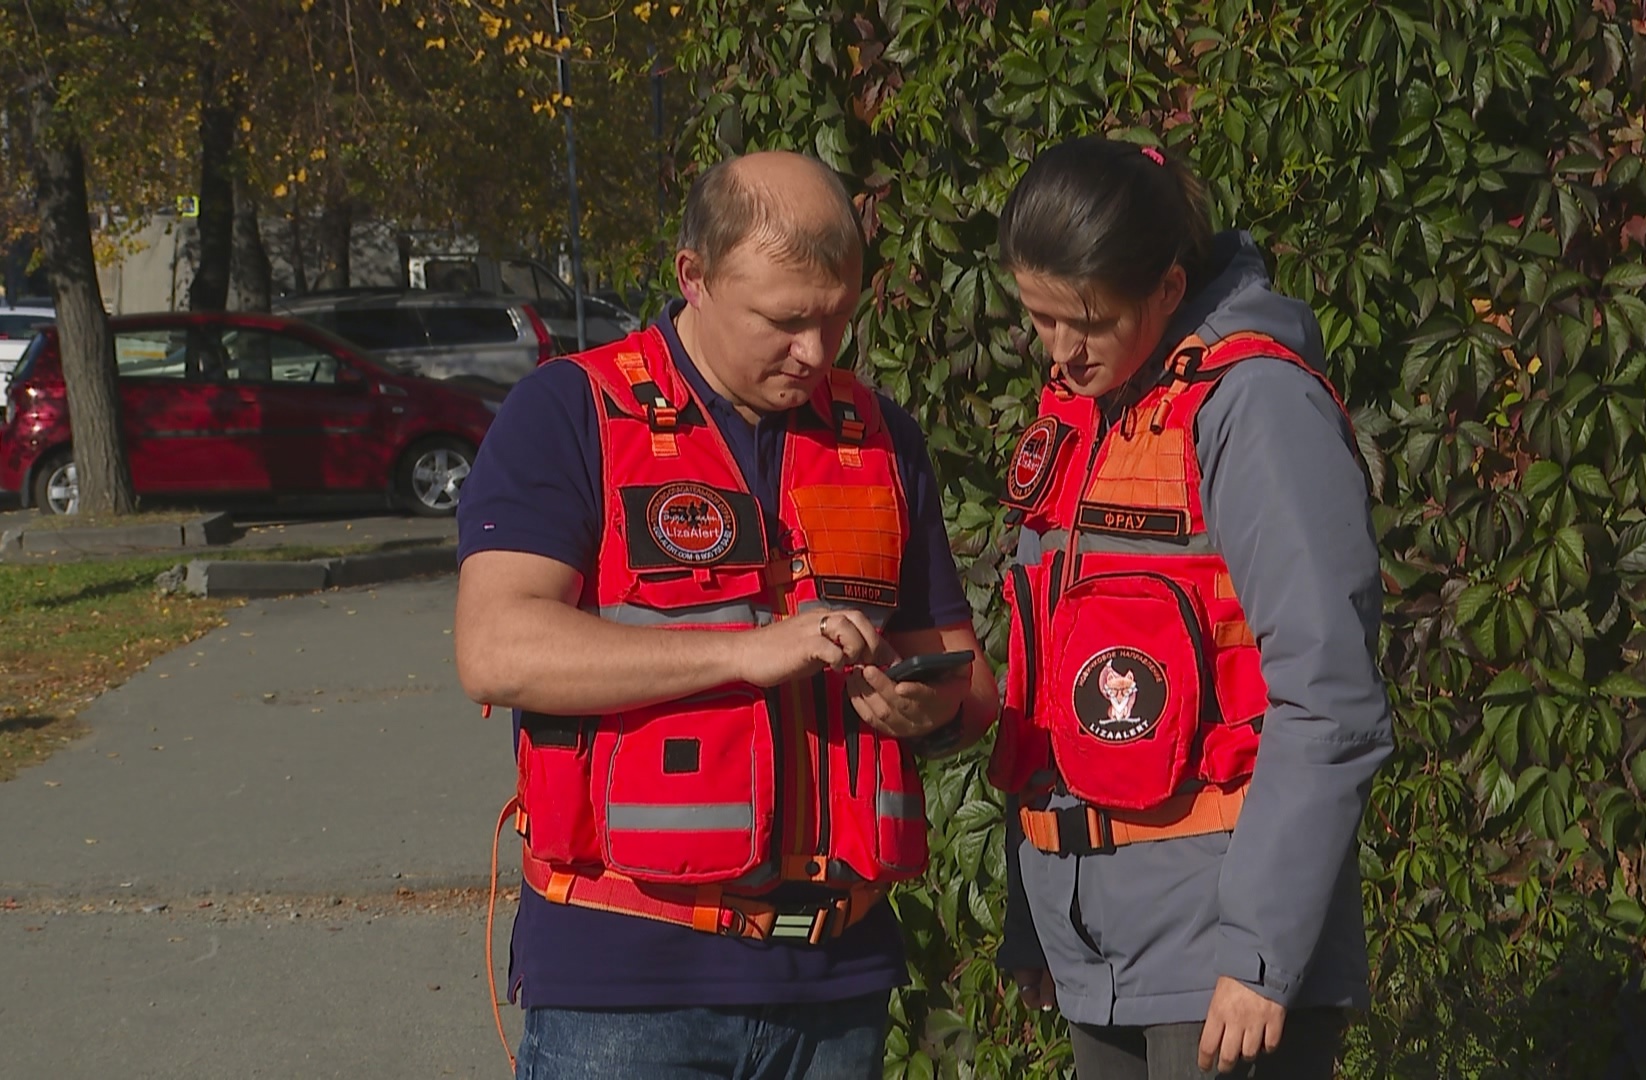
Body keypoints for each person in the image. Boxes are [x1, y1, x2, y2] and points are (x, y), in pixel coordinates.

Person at [454, 150, 997, 1080]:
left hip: (835, 984)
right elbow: (496, 649)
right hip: (625, 986)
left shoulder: (878, 435)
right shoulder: (570, 411)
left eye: (837, 318)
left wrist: (926, 708)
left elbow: (967, 682)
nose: (816, 353)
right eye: (784, 321)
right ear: (693, 278)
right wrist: (745, 652)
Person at [987, 137, 1394, 1079]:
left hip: (1222, 959)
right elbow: (1047, 684)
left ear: (1169, 287)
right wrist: (1032, 912)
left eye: (1088, 321)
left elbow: (1329, 694)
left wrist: (1260, 954)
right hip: (1096, 946)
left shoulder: (1256, 406)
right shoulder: (1085, 410)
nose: (1061, 350)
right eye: (1040, 318)